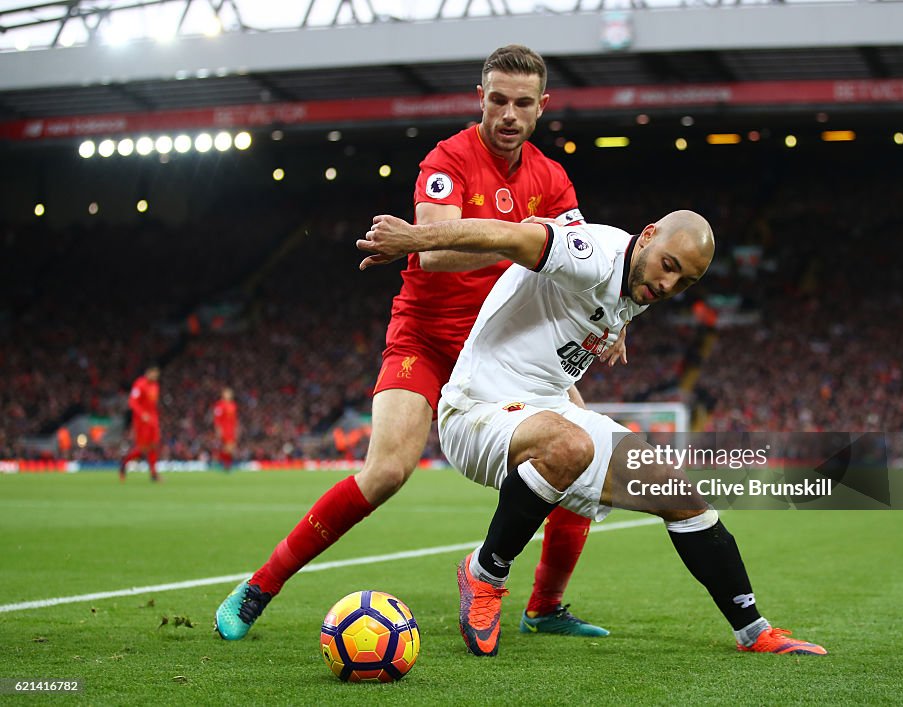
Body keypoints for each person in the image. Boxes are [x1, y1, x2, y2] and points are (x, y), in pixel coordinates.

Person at [216, 45, 619, 640]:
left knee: (577, 455)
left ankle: (544, 608)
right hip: (427, 337)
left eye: (522, 104)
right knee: (386, 471)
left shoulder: (552, 178)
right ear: (480, 97)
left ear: (542, 107)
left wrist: (614, 318)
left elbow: (581, 266)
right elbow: (429, 252)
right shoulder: (447, 159)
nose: (509, 114)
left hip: (509, 348)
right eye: (498, 100)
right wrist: (518, 241)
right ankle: (259, 588)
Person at [356, 210, 828, 658]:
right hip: (477, 409)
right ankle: (484, 573)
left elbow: (603, 308)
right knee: (569, 444)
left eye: (686, 282)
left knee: (678, 492)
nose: (668, 285)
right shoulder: (591, 255)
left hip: (547, 410)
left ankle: (753, 631)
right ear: (646, 236)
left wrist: (617, 324)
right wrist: (412, 240)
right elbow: (511, 235)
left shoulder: (636, 285)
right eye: (668, 266)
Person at [119, 365, 161, 482]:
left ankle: (153, 474)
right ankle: (124, 463)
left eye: (157, 374)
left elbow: (153, 404)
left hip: (153, 420)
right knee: (143, 449)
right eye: (154, 373)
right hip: (141, 422)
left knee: (154, 446)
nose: (155, 376)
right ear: (148, 373)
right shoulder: (139, 384)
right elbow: (132, 402)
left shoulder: (155, 386)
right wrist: (142, 414)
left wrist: (155, 418)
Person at [213, 387, 238, 470]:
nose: (229, 395)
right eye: (227, 393)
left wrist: (235, 429)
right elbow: (217, 419)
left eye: (230, 394)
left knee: (231, 448)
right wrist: (218, 429)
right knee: (228, 448)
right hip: (224, 429)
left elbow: (235, 419)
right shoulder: (219, 405)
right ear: (223, 395)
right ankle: (224, 463)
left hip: (231, 429)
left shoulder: (233, 405)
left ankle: (225, 463)